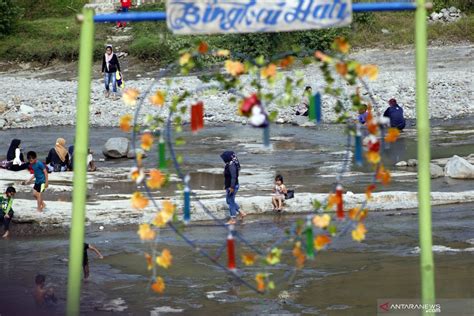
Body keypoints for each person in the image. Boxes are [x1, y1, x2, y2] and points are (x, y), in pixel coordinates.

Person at [220, 151, 246, 225]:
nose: (223, 159)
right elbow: (227, 177)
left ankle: (233, 219)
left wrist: (232, 187)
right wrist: (226, 185)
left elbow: (234, 177)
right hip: (229, 186)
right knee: (229, 201)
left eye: (224, 158)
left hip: (233, 186)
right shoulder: (228, 164)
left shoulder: (232, 165)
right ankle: (241, 212)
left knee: (231, 202)